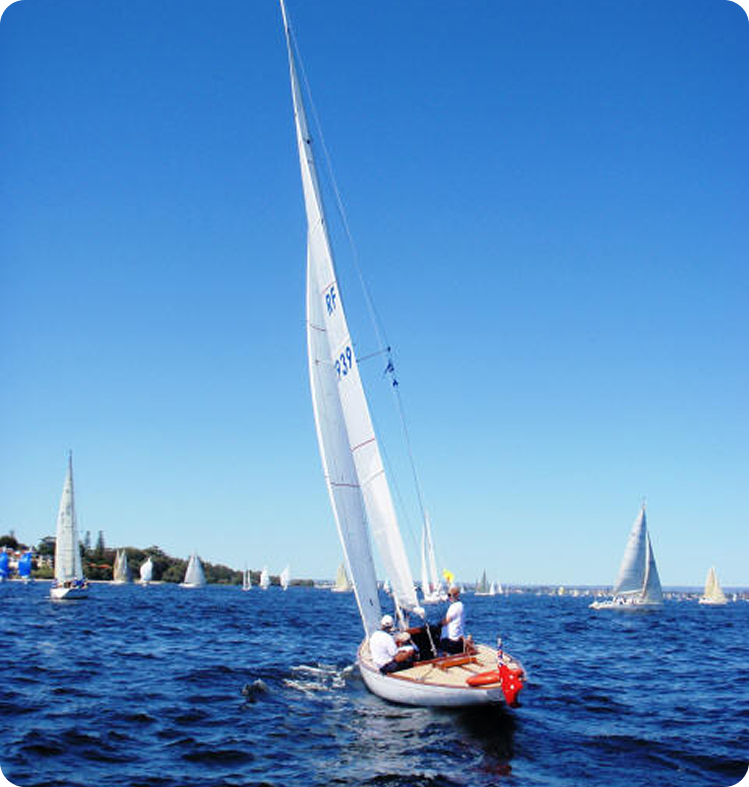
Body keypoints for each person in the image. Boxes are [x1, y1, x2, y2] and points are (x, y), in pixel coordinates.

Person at [438, 585, 467, 654]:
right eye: (448, 595)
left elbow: (446, 621)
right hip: (458, 641)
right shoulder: (461, 605)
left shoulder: (453, 607)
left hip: (450, 641)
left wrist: (439, 624)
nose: (449, 597)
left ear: (457, 595)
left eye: (450, 595)